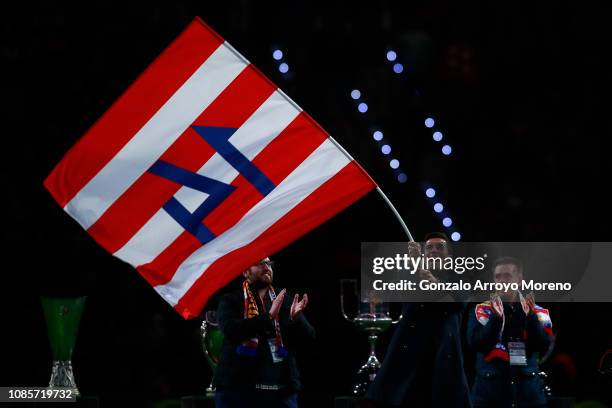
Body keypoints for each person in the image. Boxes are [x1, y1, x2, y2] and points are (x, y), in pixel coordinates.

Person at [366, 232, 472, 407]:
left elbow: (459, 301)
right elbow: (400, 292)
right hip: (410, 357)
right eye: (429, 248)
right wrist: (413, 265)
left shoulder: (460, 278)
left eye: (440, 247)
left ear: (450, 256)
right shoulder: (412, 273)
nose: (434, 251)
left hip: (443, 356)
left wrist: (436, 284)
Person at [213, 257, 315, 408]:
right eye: (259, 263)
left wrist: (295, 320)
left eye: (268, 263)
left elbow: (309, 337)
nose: (266, 267)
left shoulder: (284, 298)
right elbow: (231, 330)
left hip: (281, 394)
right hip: (239, 393)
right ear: (245, 271)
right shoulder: (231, 299)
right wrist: (268, 317)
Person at [467, 256, 554, 408]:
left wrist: (531, 318)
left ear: (519, 279)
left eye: (507, 276)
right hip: (489, 394)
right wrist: (495, 319)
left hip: (528, 394)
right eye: (498, 277)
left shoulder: (537, 311)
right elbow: (475, 344)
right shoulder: (481, 310)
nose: (502, 281)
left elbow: (544, 347)